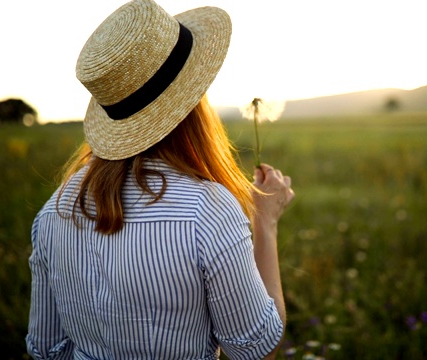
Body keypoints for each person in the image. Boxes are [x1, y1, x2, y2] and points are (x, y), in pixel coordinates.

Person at [25, 1, 294, 359]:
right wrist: (266, 222)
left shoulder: (54, 212)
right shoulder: (208, 210)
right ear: (193, 105)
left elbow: (46, 349)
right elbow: (255, 349)